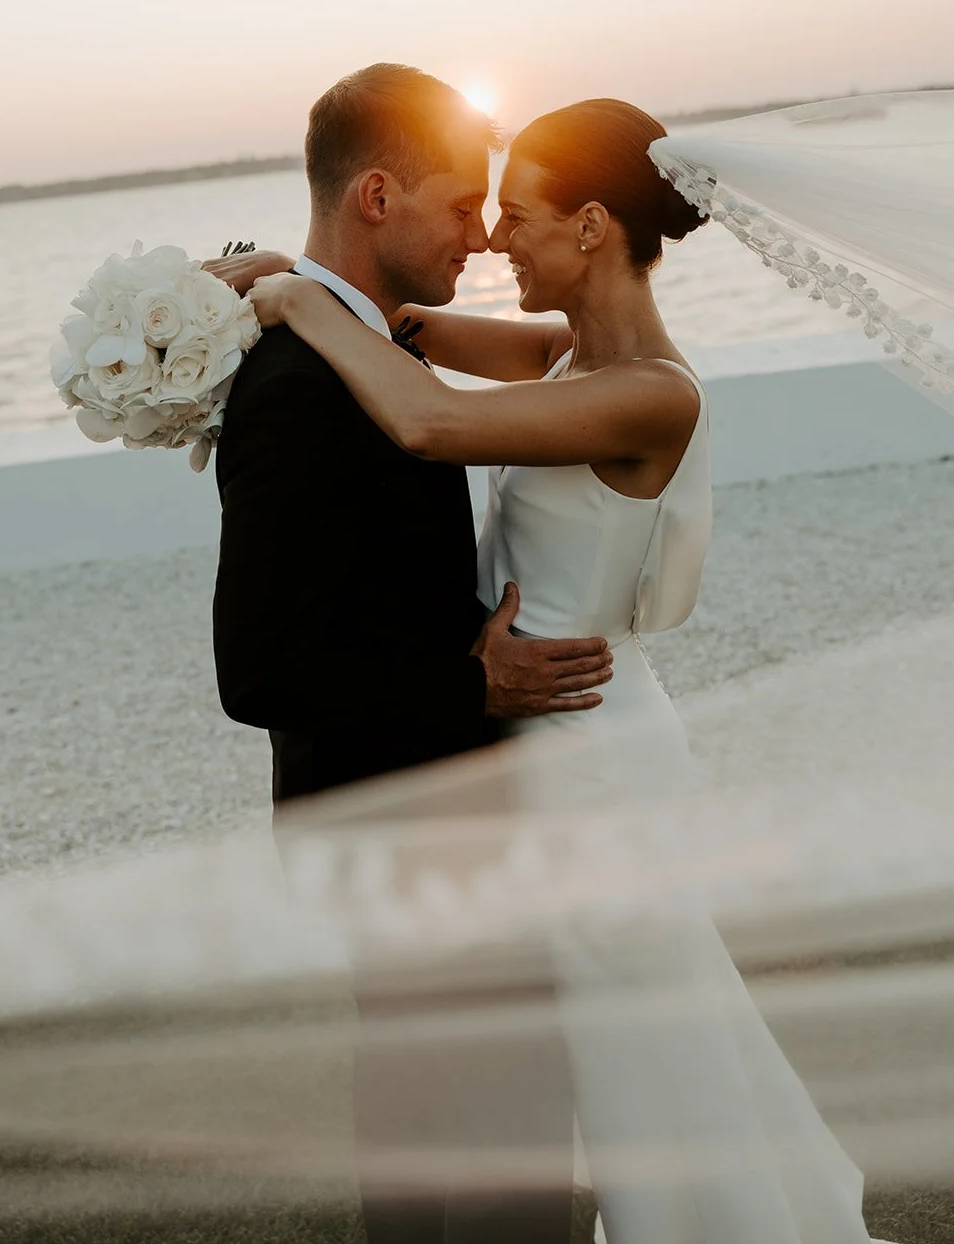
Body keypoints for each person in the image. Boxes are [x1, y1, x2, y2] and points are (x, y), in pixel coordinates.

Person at [244, 95, 884, 1242]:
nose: (491, 237)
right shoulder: (567, 355)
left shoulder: (649, 394)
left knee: (643, 1055)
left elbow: (425, 418)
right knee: (599, 1054)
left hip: (587, 753)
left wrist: (291, 298)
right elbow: (402, 331)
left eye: (518, 213)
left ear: (590, 226)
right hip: (540, 744)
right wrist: (257, 271)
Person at [210, 63, 612, 1244]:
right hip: (403, 822)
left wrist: (296, 289)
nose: (479, 236)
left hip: (429, 815)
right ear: (376, 195)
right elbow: (259, 671)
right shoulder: (293, 383)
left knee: (437, 1140)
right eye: (457, 204)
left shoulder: (352, 341)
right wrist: (469, 679)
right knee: (495, 1162)